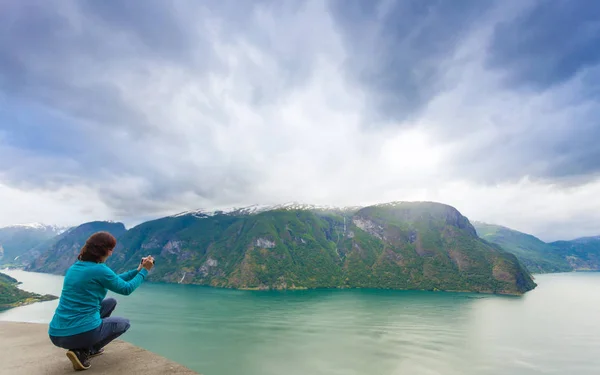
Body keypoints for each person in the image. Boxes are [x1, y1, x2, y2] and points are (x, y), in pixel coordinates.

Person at [48, 231, 155, 371]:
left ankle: (82, 347)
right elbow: (126, 289)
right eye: (110, 249)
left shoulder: (75, 267)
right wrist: (145, 271)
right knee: (124, 323)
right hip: (78, 333)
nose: (111, 253)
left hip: (56, 334)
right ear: (102, 250)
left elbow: (115, 280)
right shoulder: (100, 269)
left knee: (110, 302)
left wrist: (138, 270)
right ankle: (86, 351)